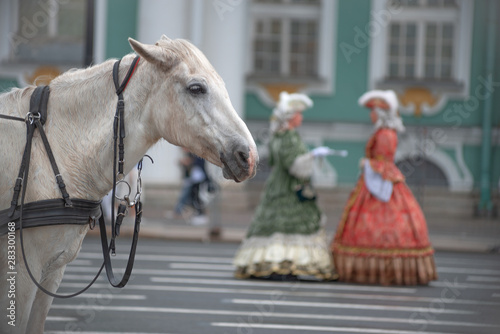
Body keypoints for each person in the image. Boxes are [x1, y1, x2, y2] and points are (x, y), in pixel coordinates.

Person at [330, 90, 437, 285]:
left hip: (381, 180)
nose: (370, 115)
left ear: (381, 113)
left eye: (373, 111)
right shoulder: (383, 131)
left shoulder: (385, 133)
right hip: (377, 179)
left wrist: (367, 164)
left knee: (382, 223)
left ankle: (382, 267)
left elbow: (383, 162)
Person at [233, 91, 336, 281]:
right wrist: (313, 156)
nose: (301, 117)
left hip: (278, 185)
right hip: (290, 187)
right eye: (299, 114)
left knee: (275, 225)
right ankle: (285, 264)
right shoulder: (288, 137)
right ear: (291, 117)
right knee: (289, 225)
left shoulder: (279, 136)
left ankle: (274, 262)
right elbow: (295, 166)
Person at [171, 148, 211, 225]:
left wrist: (187, 162)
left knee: (197, 197)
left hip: (198, 177)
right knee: (194, 196)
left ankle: (201, 215)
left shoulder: (198, 152)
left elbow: (197, 163)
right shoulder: (195, 153)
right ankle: (198, 214)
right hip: (195, 177)